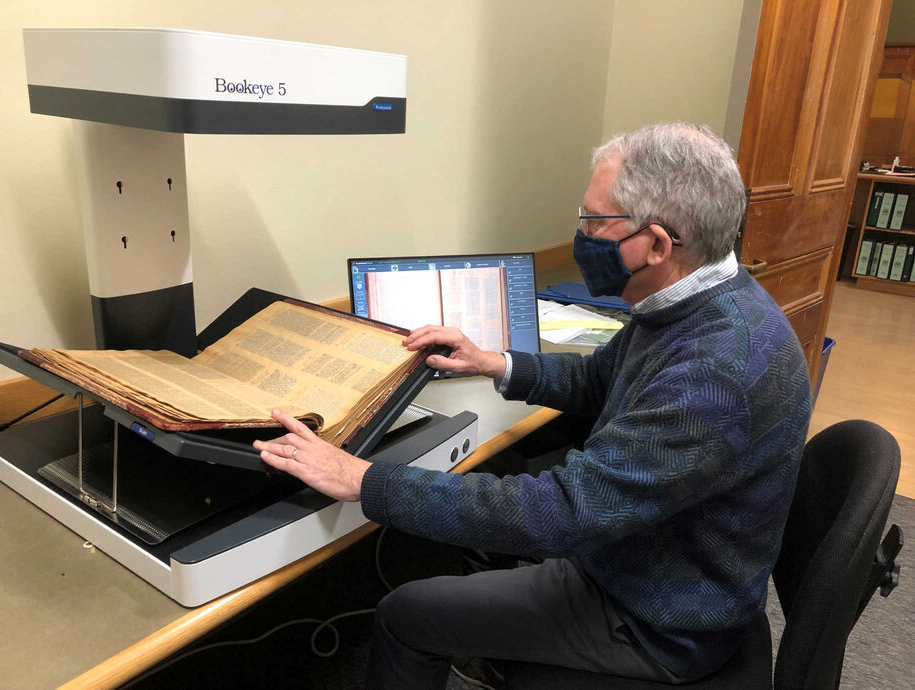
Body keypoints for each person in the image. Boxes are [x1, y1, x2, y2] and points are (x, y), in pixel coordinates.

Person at [254, 122, 812, 688]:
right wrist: (493, 362)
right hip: (653, 559)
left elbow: (560, 514)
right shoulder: (701, 299)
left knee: (407, 614)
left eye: (594, 221)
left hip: (654, 620)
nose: (581, 234)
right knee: (487, 514)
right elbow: (598, 378)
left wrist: (363, 479)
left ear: (657, 245)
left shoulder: (713, 370)